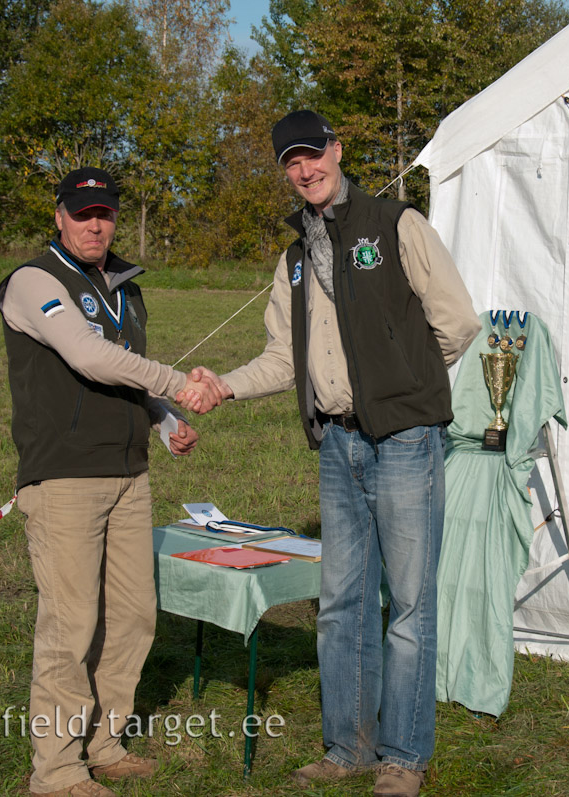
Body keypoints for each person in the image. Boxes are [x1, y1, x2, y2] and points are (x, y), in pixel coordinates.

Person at [188, 111, 480, 797]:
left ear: (337, 151)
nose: (306, 169)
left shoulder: (397, 224)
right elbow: (280, 358)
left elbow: (459, 322)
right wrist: (224, 386)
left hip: (406, 440)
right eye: (292, 162)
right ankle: (348, 745)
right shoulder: (292, 260)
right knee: (342, 601)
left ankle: (403, 756)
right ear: (285, 171)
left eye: (314, 154)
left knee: (408, 602)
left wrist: (403, 387)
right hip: (337, 445)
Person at [0, 167, 217, 797]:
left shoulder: (124, 287)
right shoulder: (32, 281)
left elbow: (124, 375)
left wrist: (164, 418)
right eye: (82, 212)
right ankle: (58, 772)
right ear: (59, 216)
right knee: (71, 627)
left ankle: (103, 742)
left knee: (132, 616)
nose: (96, 224)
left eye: (106, 213)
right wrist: (177, 384)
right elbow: (90, 357)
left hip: (128, 474)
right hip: (63, 476)